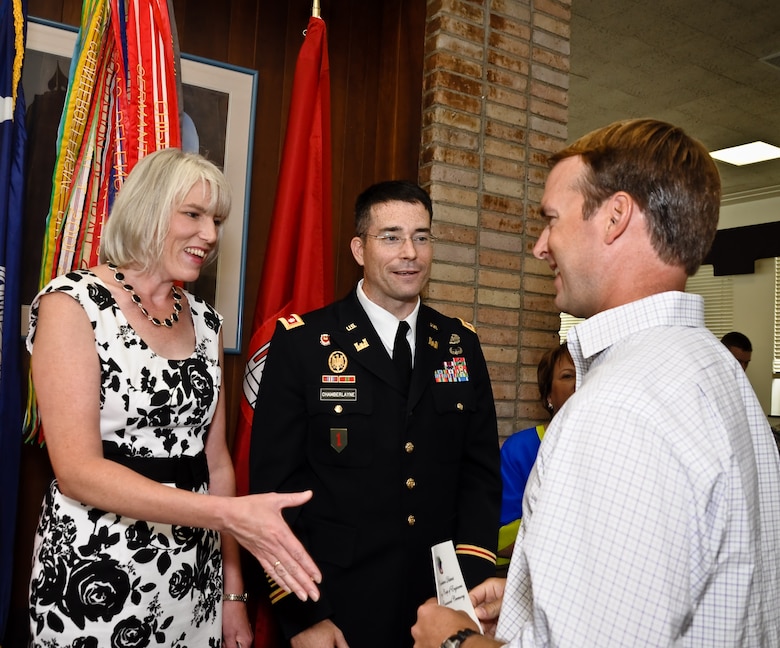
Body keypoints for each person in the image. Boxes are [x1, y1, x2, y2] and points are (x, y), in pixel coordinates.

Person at [412, 118, 780, 647]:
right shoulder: (713, 368)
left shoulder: (618, 408)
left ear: (614, 218)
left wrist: (452, 642)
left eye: (552, 220)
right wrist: (525, 610)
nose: (541, 247)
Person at [26, 148, 322, 647]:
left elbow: (217, 461)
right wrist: (227, 515)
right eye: (193, 214)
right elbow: (77, 470)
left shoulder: (207, 321)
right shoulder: (72, 304)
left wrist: (232, 593)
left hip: (195, 575)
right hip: (96, 569)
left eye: (216, 220)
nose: (209, 235)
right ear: (148, 208)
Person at [249, 180, 501, 647]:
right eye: (391, 237)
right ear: (359, 248)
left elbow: (480, 476)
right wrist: (304, 616)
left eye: (421, 237)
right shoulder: (304, 343)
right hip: (338, 605)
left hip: (442, 604)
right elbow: (273, 492)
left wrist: (470, 585)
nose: (410, 252)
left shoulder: (459, 343)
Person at [496, 343, 574, 566]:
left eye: (587, 373)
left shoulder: (612, 447)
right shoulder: (521, 449)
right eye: (568, 376)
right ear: (548, 394)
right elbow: (501, 537)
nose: (580, 383)